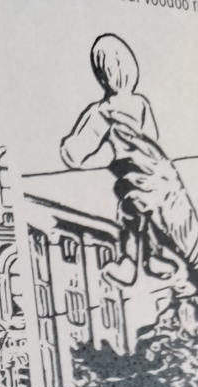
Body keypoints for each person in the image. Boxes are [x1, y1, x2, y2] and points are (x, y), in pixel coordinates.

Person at [60, 34, 175, 285]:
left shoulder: (103, 111)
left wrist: (85, 157)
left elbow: (74, 152)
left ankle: (129, 263)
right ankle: (152, 258)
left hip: (131, 175)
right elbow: (153, 139)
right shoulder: (141, 103)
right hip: (153, 173)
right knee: (145, 214)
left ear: (101, 76)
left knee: (131, 215)